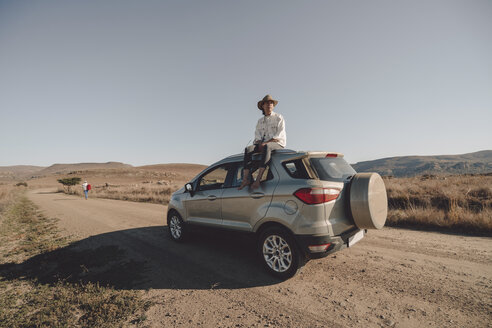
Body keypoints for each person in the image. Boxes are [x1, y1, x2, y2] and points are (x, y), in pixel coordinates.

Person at [238, 94, 286, 190]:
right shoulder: (260, 121)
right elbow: (257, 135)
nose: (269, 105)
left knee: (267, 147)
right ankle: (245, 179)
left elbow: (279, 135)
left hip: (277, 143)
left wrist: (266, 143)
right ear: (262, 106)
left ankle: (258, 180)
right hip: (262, 144)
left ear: (273, 106)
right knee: (248, 149)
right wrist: (260, 143)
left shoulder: (279, 117)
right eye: (267, 103)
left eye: (271, 103)